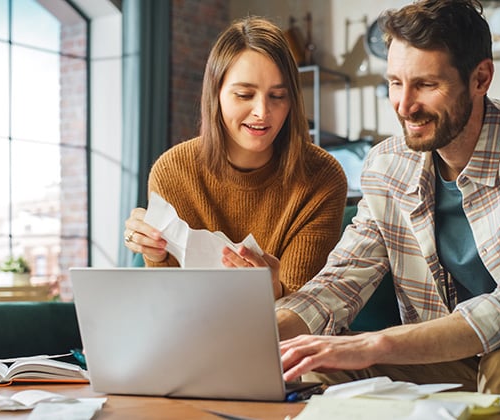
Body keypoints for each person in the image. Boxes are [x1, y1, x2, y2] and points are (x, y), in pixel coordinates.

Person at [274, 1, 500, 419]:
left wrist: (375, 342)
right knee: (310, 365)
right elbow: (339, 283)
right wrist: (261, 334)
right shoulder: (387, 164)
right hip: (454, 361)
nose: (403, 105)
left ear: (480, 78)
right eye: (395, 83)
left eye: (426, 85)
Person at [123, 17, 348, 299]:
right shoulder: (173, 171)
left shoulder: (322, 176)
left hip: (286, 337)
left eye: (278, 96)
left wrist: (272, 290)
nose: (262, 112)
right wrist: (152, 250)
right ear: (215, 94)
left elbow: (306, 309)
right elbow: (168, 300)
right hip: (193, 333)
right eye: (244, 94)